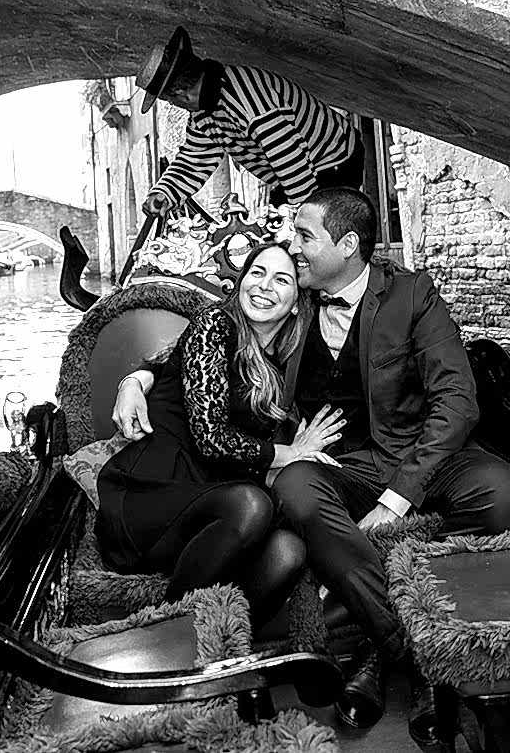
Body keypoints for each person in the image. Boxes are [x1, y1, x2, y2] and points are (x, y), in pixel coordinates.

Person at [116, 188, 510, 737]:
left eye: (305, 236)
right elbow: (207, 340)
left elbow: (458, 401)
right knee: (295, 488)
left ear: (348, 244)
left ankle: (376, 655)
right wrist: (137, 377)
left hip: (416, 455)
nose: (294, 247)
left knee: (500, 489)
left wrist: (399, 495)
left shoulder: (412, 295)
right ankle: (416, 653)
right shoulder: (293, 298)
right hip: (337, 466)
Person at [96, 243, 347, 627]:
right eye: (256, 273)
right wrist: (289, 453)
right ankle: (169, 633)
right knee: (252, 504)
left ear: (297, 301)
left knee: (289, 550)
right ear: (241, 281)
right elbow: (211, 438)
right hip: (152, 495)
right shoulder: (213, 324)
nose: (264, 286)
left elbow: (164, 363)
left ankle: (220, 639)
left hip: (210, 507)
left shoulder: (283, 362)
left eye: (281, 280)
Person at [136, 27, 365, 216]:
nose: (174, 106)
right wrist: (165, 193)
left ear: (181, 94)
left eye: (169, 100)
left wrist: (298, 221)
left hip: (334, 160)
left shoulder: (253, 103)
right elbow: (194, 159)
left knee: (316, 240)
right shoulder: (204, 114)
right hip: (293, 171)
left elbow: (293, 164)